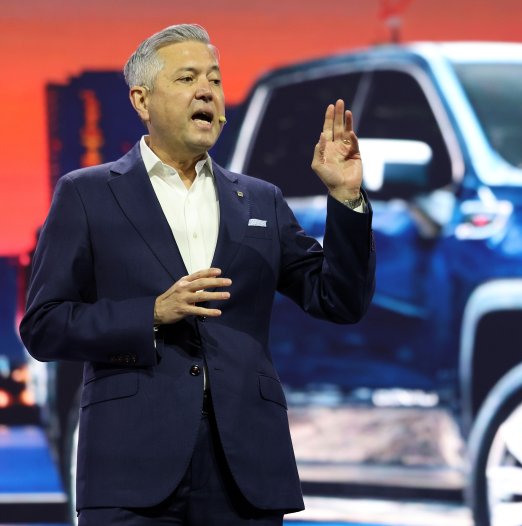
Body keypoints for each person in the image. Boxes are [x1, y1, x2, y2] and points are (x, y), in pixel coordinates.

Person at [19, 23, 375, 525]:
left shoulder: (261, 200)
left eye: (215, 79)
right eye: (187, 78)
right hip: (130, 466)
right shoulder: (87, 194)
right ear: (142, 100)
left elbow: (339, 300)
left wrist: (345, 198)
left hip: (245, 468)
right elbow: (44, 326)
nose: (207, 90)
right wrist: (151, 313)